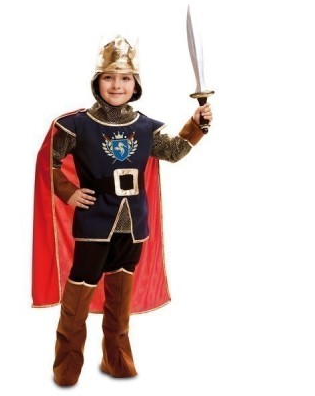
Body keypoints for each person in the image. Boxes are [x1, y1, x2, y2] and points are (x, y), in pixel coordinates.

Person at [32, 35, 212, 386]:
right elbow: (47, 163)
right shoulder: (75, 125)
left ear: (135, 83)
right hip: (95, 222)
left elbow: (173, 152)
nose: (117, 85)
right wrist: (69, 192)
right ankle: (67, 366)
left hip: (133, 225)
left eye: (125, 78)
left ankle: (117, 359)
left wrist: (197, 125)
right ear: (97, 82)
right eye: (109, 77)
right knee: (79, 293)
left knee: (120, 296)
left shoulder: (146, 127)